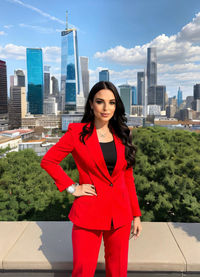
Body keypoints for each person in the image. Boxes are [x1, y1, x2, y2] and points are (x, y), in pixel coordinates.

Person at [40, 81, 142, 277]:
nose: (106, 108)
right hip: (88, 214)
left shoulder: (123, 133)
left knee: (118, 272)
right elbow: (48, 161)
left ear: (116, 105)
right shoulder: (76, 133)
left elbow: (127, 178)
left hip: (120, 216)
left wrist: (136, 215)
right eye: (100, 102)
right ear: (90, 104)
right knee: (83, 272)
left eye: (111, 102)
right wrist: (72, 188)